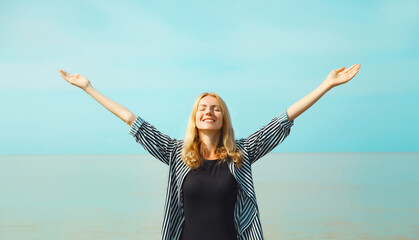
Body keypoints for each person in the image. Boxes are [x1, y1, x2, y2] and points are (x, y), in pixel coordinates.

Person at [58, 64, 361, 240]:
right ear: (195, 117)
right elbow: (132, 120)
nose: (209, 112)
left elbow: (283, 120)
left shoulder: (241, 154)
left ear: (223, 118)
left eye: (215, 108)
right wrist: (88, 87)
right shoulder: (175, 154)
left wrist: (327, 85)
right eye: (203, 108)